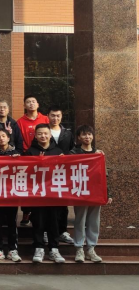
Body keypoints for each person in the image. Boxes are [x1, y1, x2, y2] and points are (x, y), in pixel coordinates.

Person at [25, 124, 66, 264]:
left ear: (50, 135)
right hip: (37, 194)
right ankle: (38, 248)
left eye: (45, 133)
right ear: (35, 136)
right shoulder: (30, 152)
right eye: (40, 134)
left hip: (53, 193)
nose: (43, 136)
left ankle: (54, 249)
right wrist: (38, 163)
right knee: (38, 221)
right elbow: (25, 172)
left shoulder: (58, 151)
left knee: (54, 221)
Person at [71, 125, 112, 264]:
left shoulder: (99, 154)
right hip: (80, 191)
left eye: (89, 134)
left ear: (93, 136)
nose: (87, 137)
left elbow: (104, 175)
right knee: (80, 220)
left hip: (96, 192)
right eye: (84, 134)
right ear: (79, 137)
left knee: (94, 221)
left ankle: (91, 249)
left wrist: (107, 193)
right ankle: (79, 249)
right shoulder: (73, 153)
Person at [0, 129, 22, 263]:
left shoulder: (16, 153)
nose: (1, 139)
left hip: (11, 192)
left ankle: (12, 249)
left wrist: (18, 160)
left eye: (3, 136)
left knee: (11, 222)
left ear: (9, 138)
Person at [17, 95, 49, 226]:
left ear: (38, 104)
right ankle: (26, 212)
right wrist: (27, 153)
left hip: (44, 156)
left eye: (33, 101)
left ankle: (42, 213)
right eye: (28, 102)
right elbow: (19, 139)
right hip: (27, 157)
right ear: (24, 105)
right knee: (27, 185)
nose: (31, 104)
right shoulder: (20, 121)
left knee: (43, 184)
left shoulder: (45, 119)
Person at [47, 106, 76, 246]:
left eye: (58, 115)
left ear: (61, 117)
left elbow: (73, 150)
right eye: (53, 115)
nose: (55, 118)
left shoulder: (68, 134)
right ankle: (47, 231)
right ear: (48, 116)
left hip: (63, 172)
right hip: (47, 173)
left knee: (63, 203)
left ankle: (63, 231)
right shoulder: (44, 131)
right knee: (47, 203)